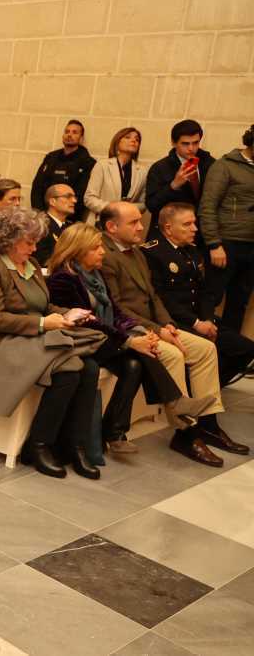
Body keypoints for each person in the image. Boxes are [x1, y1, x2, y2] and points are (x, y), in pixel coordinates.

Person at [47, 223, 216, 456]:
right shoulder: (62, 279)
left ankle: (114, 432)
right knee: (141, 351)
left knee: (135, 364)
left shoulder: (94, 273)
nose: (103, 252)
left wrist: (137, 330)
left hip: (105, 339)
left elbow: (115, 311)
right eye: (96, 248)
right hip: (83, 342)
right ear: (78, 251)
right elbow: (88, 321)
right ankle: (176, 401)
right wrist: (129, 340)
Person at [0, 210, 102, 479]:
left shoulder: (31, 264)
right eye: (29, 242)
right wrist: (42, 324)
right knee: (68, 372)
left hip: (35, 337)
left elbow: (43, 305)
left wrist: (67, 313)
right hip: (2, 341)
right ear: (10, 240)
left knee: (90, 368)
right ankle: (38, 444)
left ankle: (73, 444)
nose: (35, 247)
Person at [98, 202, 235, 466]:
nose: (141, 227)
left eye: (140, 221)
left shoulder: (136, 251)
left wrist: (167, 324)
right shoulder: (105, 255)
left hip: (154, 323)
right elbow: (117, 307)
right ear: (112, 227)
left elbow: (153, 296)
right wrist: (158, 330)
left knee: (206, 348)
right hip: (132, 327)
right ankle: (187, 431)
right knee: (172, 354)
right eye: (134, 222)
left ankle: (207, 422)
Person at [145, 203, 254, 388]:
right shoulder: (152, 253)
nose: (195, 229)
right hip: (174, 321)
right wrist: (197, 324)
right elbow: (160, 299)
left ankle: (207, 390)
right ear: (169, 228)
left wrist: (208, 320)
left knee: (246, 349)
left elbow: (204, 292)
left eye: (194, 223)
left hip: (199, 319)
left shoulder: (192, 250)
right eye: (187, 224)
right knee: (210, 352)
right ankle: (202, 400)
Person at [198, 125, 254, 334]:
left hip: (251, 247)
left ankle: (230, 358)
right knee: (210, 299)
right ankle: (205, 351)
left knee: (239, 304)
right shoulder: (225, 166)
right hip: (226, 243)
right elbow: (207, 206)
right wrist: (214, 244)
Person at [146, 120, 215, 234]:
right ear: (174, 143)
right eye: (185, 143)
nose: (191, 148)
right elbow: (152, 206)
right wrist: (173, 185)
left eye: (195, 143)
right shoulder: (160, 168)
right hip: (169, 234)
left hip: (200, 232)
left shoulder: (210, 164)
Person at [84, 127, 147, 224]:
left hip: (126, 224)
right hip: (100, 221)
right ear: (117, 142)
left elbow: (144, 204)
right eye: (127, 137)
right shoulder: (102, 165)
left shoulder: (142, 171)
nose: (133, 140)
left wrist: (127, 209)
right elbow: (89, 198)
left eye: (137, 139)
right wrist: (114, 209)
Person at [30, 120, 97, 211]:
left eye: (74, 132)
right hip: (43, 213)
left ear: (81, 138)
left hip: (68, 215)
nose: (69, 135)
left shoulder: (88, 162)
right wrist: (39, 211)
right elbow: (37, 186)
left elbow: (81, 194)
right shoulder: (51, 157)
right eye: (67, 132)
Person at [35, 184, 77, 265]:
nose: (74, 201)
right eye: (68, 196)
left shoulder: (73, 227)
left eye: (74, 197)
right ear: (52, 201)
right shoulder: (40, 225)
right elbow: (41, 258)